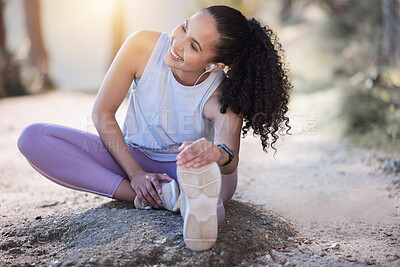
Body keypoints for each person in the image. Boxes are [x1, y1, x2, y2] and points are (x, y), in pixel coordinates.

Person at [17, 5, 292, 251]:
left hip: (189, 168)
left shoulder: (221, 93)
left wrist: (216, 154)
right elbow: (103, 113)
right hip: (134, 156)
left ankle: (184, 199)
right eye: (184, 26)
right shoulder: (143, 46)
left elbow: (230, 159)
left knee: (211, 203)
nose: (178, 42)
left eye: (193, 46)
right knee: (34, 138)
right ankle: (163, 198)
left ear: (215, 65)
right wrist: (136, 174)